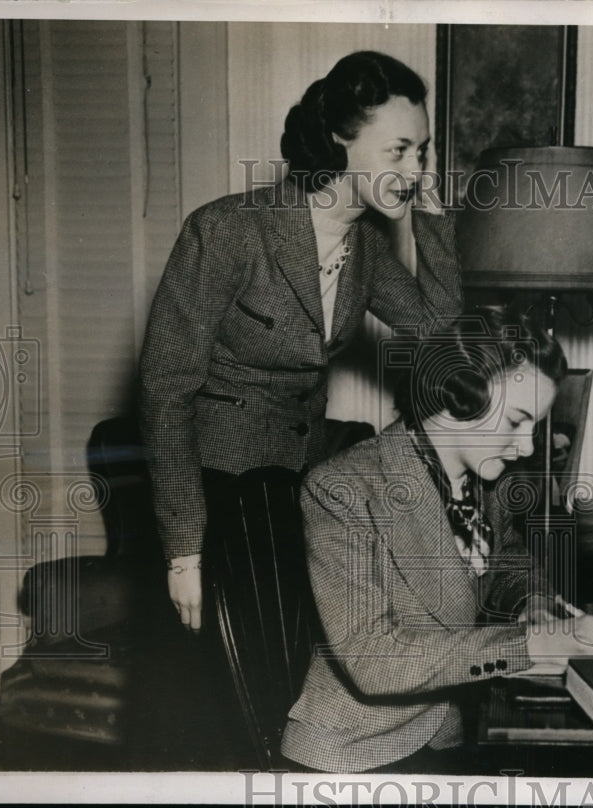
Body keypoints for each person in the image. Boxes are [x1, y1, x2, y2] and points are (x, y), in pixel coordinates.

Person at [139, 51, 462, 632]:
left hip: (300, 486)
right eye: (397, 151)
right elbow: (166, 389)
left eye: (423, 150)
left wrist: (430, 217)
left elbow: (437, 329)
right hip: (219, 491)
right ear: (339, 142)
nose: (414, 169)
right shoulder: (228, 230)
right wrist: (183, 552)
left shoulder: (366, 246)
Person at [281, 307, 593, 773]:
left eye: (535, 427)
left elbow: (507, 559)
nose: (527, 446)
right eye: (516, 421)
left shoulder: (485, 482)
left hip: (444, 735)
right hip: (355, 755)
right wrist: (529, 645)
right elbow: (373, 659)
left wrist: (532, 604)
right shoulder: (343, 490)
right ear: (458, 397)